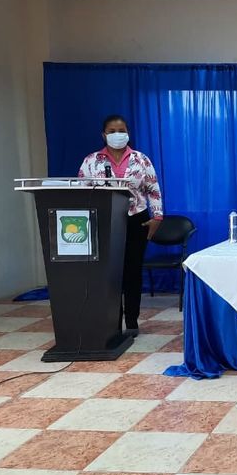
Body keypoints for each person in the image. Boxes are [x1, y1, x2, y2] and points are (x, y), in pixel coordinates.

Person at [78, 115, 162, 336]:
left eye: (121, 130)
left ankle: (132, 321)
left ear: (128, 133)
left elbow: (153, 190)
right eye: (112, 131)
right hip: (104, 220)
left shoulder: (141, 159)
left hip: (136, 219)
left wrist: (157, 218)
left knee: (133, 272)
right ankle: (112, 321)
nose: (118, 135)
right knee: (110, 273)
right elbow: (81, 191)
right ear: (103, 135)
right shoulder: (92, 160)